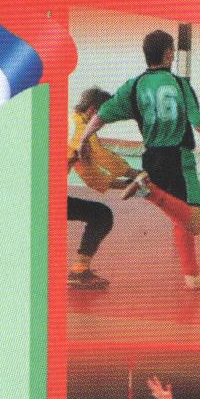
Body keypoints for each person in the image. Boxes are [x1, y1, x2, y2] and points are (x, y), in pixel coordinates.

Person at [70, 45, 200, 293]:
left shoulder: (130, 87)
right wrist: (135, 177)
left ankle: (191, 275)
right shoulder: (178, 85)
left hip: (150, 159)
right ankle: (149, 191)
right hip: (177, 158)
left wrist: (130, 179)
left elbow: (93, 173)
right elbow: (102, 160)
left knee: (172, 216)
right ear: (169, 55)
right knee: (193, 222)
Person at [67, 87, 135, 286]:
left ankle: (80, 271)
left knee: (101, 214)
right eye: (104, 117)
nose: (103, 123)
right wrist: (133, 173)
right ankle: (79, 271)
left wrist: (128, 184)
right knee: (101, 216)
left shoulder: (71, 126)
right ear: (93, 110)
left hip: (41, 195)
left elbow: (92, 177)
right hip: (41, 198)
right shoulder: (80, 129)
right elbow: (101, 155)